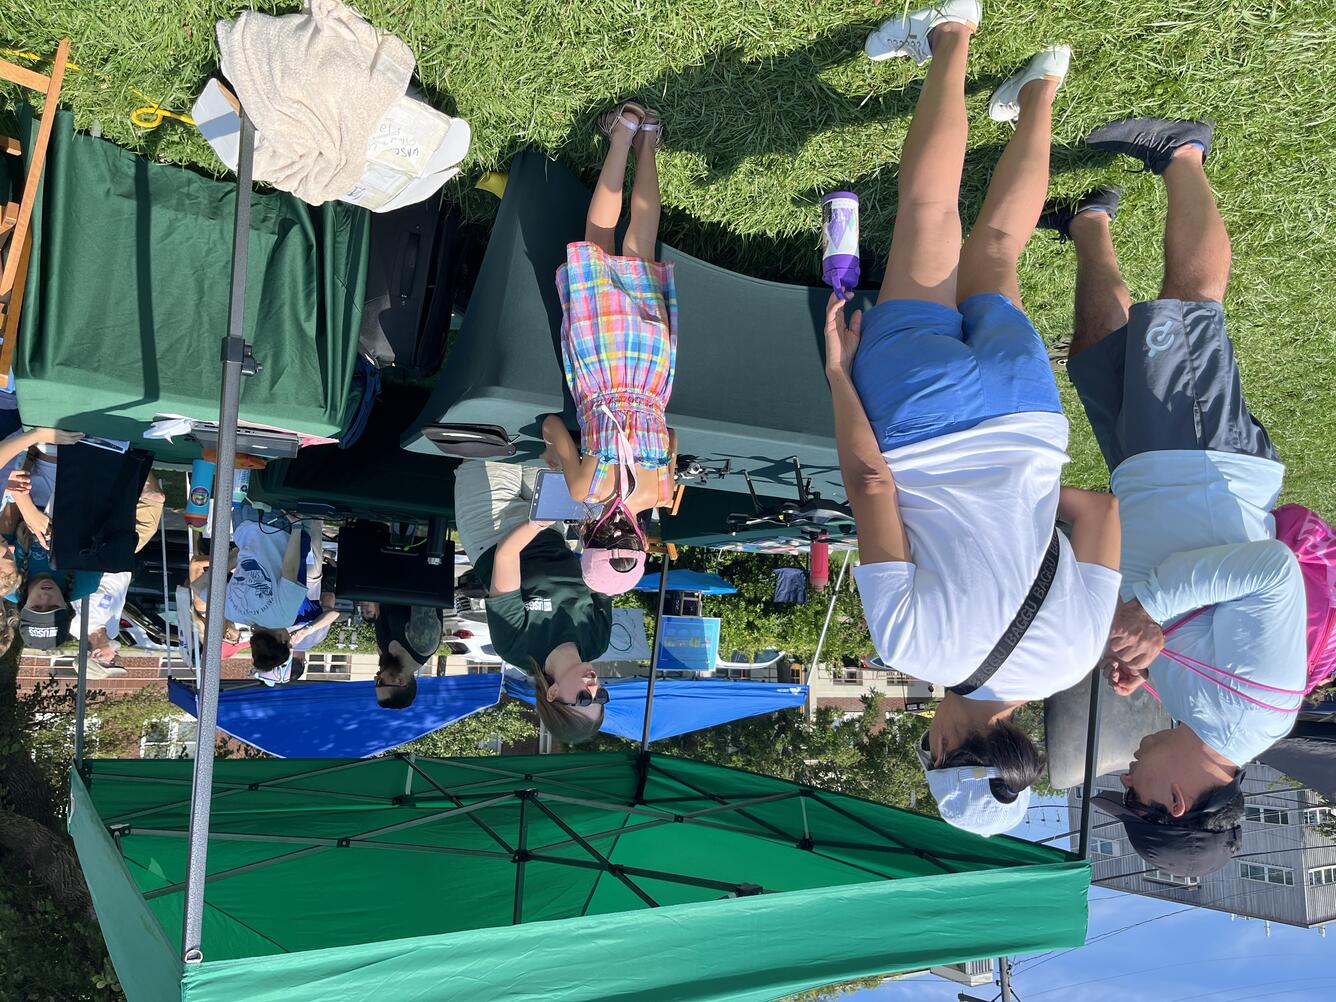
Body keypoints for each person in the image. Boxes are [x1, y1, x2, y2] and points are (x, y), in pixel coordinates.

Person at [830, 2, 1122, 836]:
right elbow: (871, 485)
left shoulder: (1076, 657)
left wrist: (1020, 494)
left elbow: (1100, 513)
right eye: (929, 752)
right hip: (919, 417)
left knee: (995, 247)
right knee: (929, 220)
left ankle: (1042, 89)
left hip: (1026, 418)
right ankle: (950, 33)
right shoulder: (914, 651)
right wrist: (837, 374)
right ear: (945, 750)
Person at [1054, 117, 1306, 876]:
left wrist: (1143, 652)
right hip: (1202, 465)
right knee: (1188, 308)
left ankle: (1088, 221)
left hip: (1149, 477)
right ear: (1173, 803)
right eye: (1130, 794)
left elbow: (1175, 628)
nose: (1124, 775)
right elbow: (1273, 573)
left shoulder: (1199, 717)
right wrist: (1150, 610)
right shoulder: (1258, 714)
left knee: (1098, 353)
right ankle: (1184, 153)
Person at [541, 97, 676, 597]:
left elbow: (671, 437)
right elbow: (551, 425)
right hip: (599, 360)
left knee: (641, 241)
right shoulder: (585, 490)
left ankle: (648, 140)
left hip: (651, 367)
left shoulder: (661, 491)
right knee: (599, 237)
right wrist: (557, 455)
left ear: (642, 545)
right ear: (587, 539)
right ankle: (623, 131)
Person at [454, 460, 611, 744]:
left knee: (504, 435)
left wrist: (540, 519)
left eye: (583, 699)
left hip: (493, 525)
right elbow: (600, 573)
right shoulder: (597, 641)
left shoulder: (516, 647)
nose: (593, 688)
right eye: (600, 696)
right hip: (552, 525)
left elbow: (505, 556)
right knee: (548, 438)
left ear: (553, 693)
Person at [359, 601, 441, 710]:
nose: (376, 677)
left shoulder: (384, 652)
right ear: (401, 681)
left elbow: (376, 604)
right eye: (380, 682)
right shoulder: (423, 645)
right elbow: (423, 593)